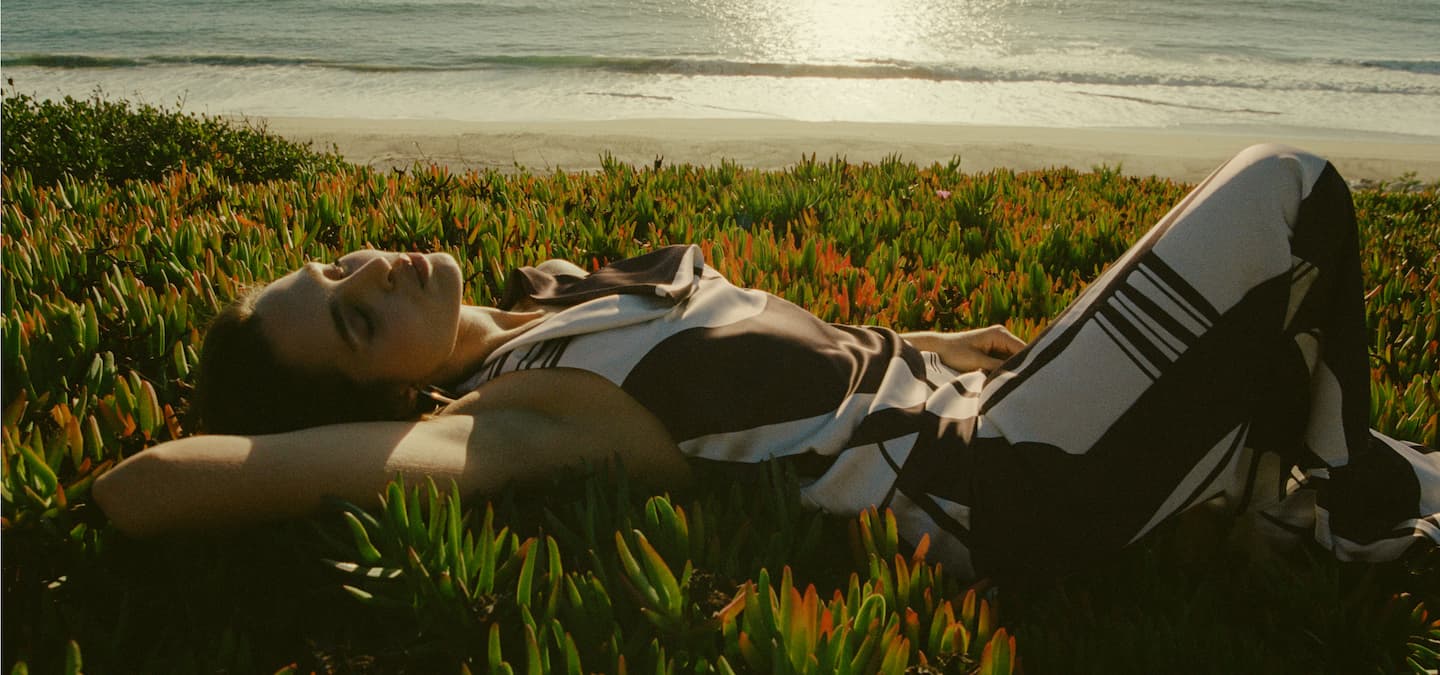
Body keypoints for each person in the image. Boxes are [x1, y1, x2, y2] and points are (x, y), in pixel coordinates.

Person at [91, 144, 1439, 578]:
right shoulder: (519, 416)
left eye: (335, 268)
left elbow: (778, 364)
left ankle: (1304, 496)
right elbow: (159, 480)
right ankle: (1335, 503)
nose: (366, 273)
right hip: (1012, 483)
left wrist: (914, 342)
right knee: (1288, 190)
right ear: (387, 397)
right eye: (348, 321)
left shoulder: (557, 296)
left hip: (986, 403)